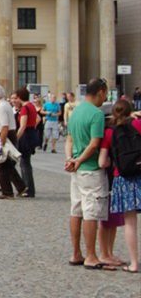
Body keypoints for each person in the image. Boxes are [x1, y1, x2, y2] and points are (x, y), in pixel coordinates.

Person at [65, 78, 111, 270]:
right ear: (100, 92)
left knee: (76, 211)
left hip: (76, 171)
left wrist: (70, 159)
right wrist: (80, 160)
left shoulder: (76, 112)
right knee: (90, 212)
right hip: (91, 170)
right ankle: (91, 255)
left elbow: (69, 139)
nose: (106, 98)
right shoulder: (96, 114)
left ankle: (76, 252)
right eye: (105, 94)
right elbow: (94, 144)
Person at [103, 98, 141, 273]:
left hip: (123, 178)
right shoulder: (138, 125)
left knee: (130, 223)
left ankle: (134, 263)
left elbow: (103, 161)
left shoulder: (110, 132)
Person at [0, 85, 26, 200]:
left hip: (4, 135)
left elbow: (4, 126)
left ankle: (7, 192)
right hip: (7, 134)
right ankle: (21, 187)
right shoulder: (5, 105)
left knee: (0, 165)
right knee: (8, 165)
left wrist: (1, 144)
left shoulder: (1, 107)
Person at [12, 87, 39, 198]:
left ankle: (27, 188)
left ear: (20, 97)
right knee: (26, 162)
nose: (15, 100)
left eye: (16, 97)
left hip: (25, 136)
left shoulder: (24, 108)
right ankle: (27, 187)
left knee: (24, 163)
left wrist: (15, 139)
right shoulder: (31, 106)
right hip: (31, 134)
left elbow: (22, 126)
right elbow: (38, 119)